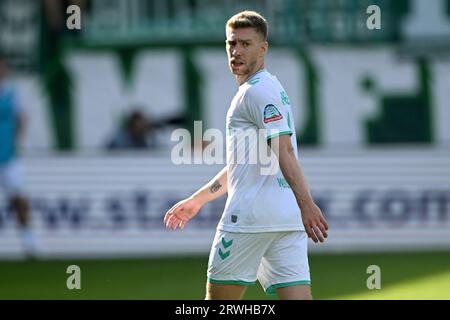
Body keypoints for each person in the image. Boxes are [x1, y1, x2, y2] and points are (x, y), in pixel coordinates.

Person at [164, 11, 328, 300]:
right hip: (286, 220)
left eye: (246, 44)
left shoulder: (253, 93)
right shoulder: (272, 88)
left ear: (263, 48)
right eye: (231, 43)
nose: (236, 51)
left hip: (251, 217)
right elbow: (241, 166)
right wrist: (198, 200)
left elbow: (284, 151)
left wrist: (308, 205)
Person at [0, 53, 39, 258]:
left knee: (20, 201)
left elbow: (21, 117)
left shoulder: (12, 93)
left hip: (8, 158)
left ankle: (29, 244)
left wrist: (19, 141)